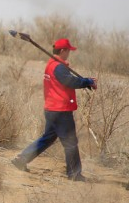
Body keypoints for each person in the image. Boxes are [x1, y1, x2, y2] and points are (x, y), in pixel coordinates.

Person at [11, 38, 97, 181]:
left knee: (48, 138)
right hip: (61, 110)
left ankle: (22, 159)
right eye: (68, 50)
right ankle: (74, 174)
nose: (69, 53)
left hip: (51, 109)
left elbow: (67, 81)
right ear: (63, 51)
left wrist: (86, 81)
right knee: (70, 142)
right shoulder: (58, 67)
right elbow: (71, 81)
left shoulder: (52, 65)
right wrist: (88, 81)